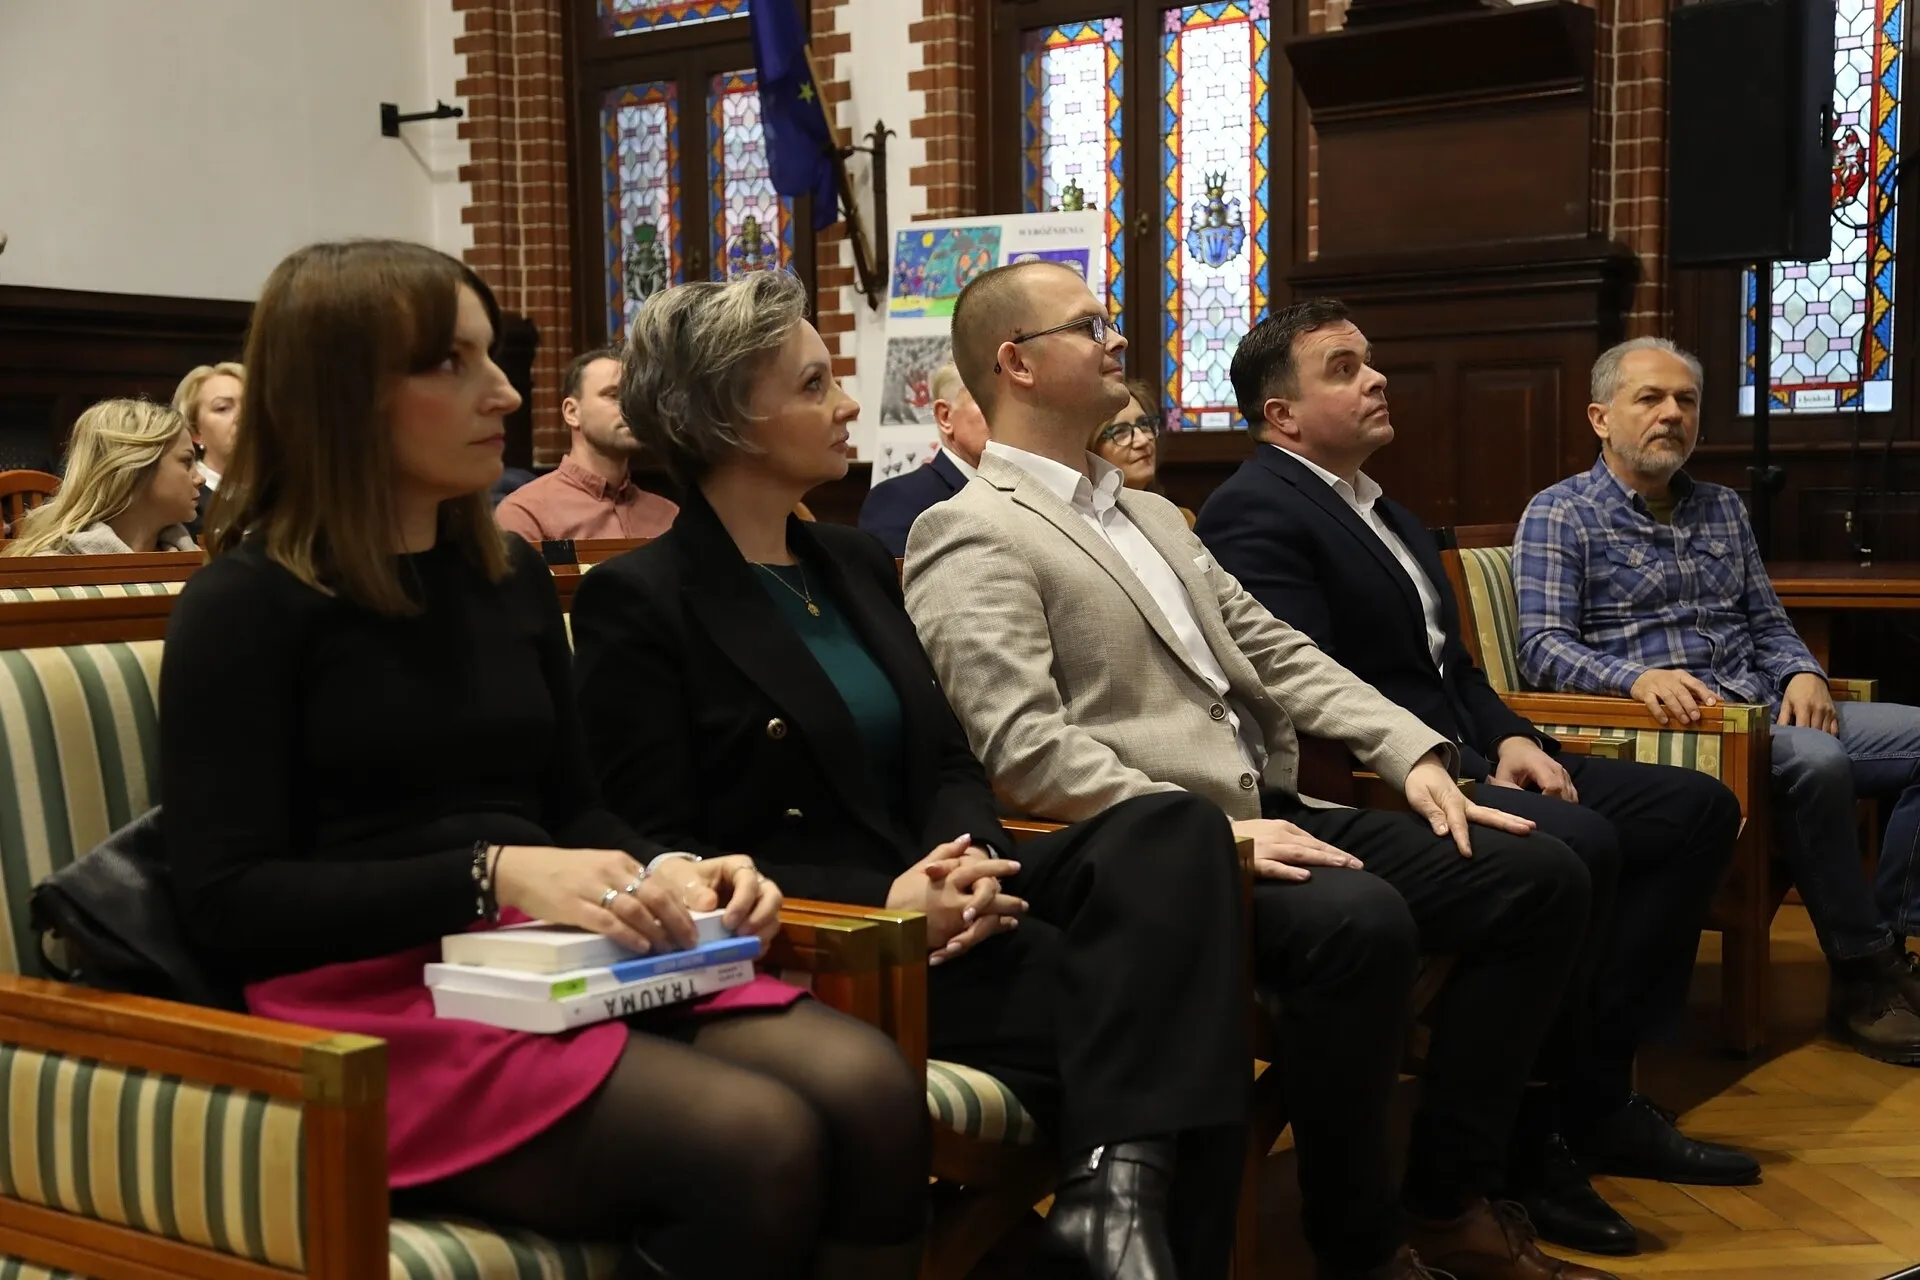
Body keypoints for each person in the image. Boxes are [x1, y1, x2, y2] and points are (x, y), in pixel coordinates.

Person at [160, 240, 928, 1280]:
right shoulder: (244, 604)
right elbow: (225, 899)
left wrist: (677, 868)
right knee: (756, 1140)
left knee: (872, 1089)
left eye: (492, 355)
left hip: (542, 958)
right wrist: (492, 873)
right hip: (367, 1006)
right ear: (343, 391)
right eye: (454, 362)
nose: (506, 392)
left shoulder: (505, 573)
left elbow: (580, 810)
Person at [904, 259, 1609, 1280]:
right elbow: (1021, 744)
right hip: (1158, 850)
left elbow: (1276, 649)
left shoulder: (1152, 514)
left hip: (1274, 804)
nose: (1116, 339)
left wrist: (1409, 750)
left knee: (1542, 876)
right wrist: (1207, 831)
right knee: (1358, 922)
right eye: (1089, 326)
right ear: (1016, 362)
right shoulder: (970, 528)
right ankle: (1358, 1248)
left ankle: (1446, 1197)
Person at [570, 270, 1252, 1280]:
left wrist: (966, 857)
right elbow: (658, 841)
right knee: (1184, 1012)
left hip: (947, 891)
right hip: (836, 938)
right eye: (814, 385)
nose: (850, 405)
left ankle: (1106, 1206)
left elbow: (944, 754)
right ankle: (1121, 1226)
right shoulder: (641, 600)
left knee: (1175, 825)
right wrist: (887, 902)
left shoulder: (849, 562)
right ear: (730, 418)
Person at [1196, 301, 1755, 1255]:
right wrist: (1447, 762)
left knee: (1695, 809)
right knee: (1577, 845)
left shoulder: (1382, 506)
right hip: (1385, 776)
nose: (1377, 377)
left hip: (1469, 751)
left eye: (1370, 360)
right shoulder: (1256, 510)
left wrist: (1512, 739)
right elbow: (1309, 687)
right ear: (1280, 415)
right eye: (1344, 369)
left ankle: (1591, 1093)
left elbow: (1452, 665)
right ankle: (1521, 1143)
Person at [1516, 336, 1920, 1067]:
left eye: (1687, 400)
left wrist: (1803, 673)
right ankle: (1861, 976)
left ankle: (1890, 944)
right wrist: (1632, 679)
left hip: (1766, 705)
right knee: (1816, 760)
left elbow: (1768, 621)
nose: (1672, 413)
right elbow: (1541, 647)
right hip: (1681, 730)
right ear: (1600, 418)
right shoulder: (1561, 512)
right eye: (1650, 398)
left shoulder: (1724, 509)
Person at [495, 346, 680, 543]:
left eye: (635, 398)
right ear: (572, 413)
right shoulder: (527, 514)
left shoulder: (669, 516)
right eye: (613, 395)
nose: (631, 408)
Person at [1, 399, 200, 556]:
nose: (200, 478)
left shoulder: (195, 559)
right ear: (136, 469)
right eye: (186, 461)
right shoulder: (50, 569)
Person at [857, 362, 987, 556]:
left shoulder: (1024, 490)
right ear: (945, 416)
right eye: (988, 401)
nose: (1007, 416)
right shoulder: (897, 499)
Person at [1090, 378, 1195, 527]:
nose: (1143, 440)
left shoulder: (1182, 520)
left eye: (1145, 424)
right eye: (1120, 431)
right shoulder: (1086, 526)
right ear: (1091, 447)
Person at [173, 361, 244, 536]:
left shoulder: (284, 495)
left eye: (250, 405)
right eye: (223, 408)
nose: (243, 416)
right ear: (195, 431)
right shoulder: (185, 505)